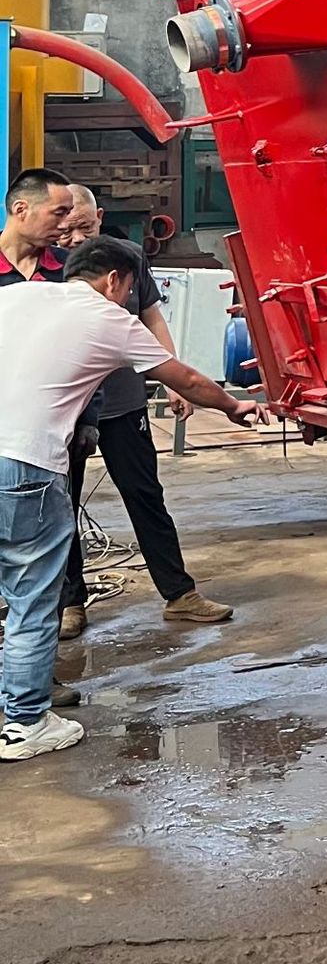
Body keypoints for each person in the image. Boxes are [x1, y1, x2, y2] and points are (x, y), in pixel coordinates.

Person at [0, 235, 266, 760]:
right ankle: (25, 723)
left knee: (11, 591)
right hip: (25, 463)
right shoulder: (108, 317)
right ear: (114, 280)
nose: (128, 299)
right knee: (33, 598)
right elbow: (186, 378)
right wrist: (233, 407)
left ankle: (21, 693)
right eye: (128, 290)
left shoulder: (16, 296)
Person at [58, 187, 234, 634]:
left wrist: (170, 377)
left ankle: (179, 593)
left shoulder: (128, 258)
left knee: (145, 496)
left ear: (100, 217)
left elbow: (151, 316)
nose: (76, 238)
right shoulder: (46, 266)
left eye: (85, 227)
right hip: (67, 410)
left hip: (122, 403)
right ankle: (70, 603)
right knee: (62, 508)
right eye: (66, 229)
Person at [0, 167, 75, 284]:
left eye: (67, 214)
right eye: (59, 213)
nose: (65, 226)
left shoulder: (70, 266)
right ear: (21, 210)